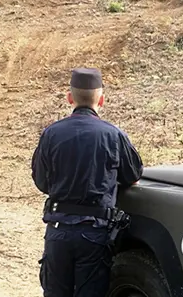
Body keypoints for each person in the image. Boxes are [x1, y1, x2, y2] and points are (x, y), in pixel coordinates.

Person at [31, 67, 144, 297]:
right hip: (95, 234)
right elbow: (133, 175)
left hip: (58, 231)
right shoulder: (113, 135)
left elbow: (41, 181)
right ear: (101, 100)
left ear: (70, 98)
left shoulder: (51, 134)